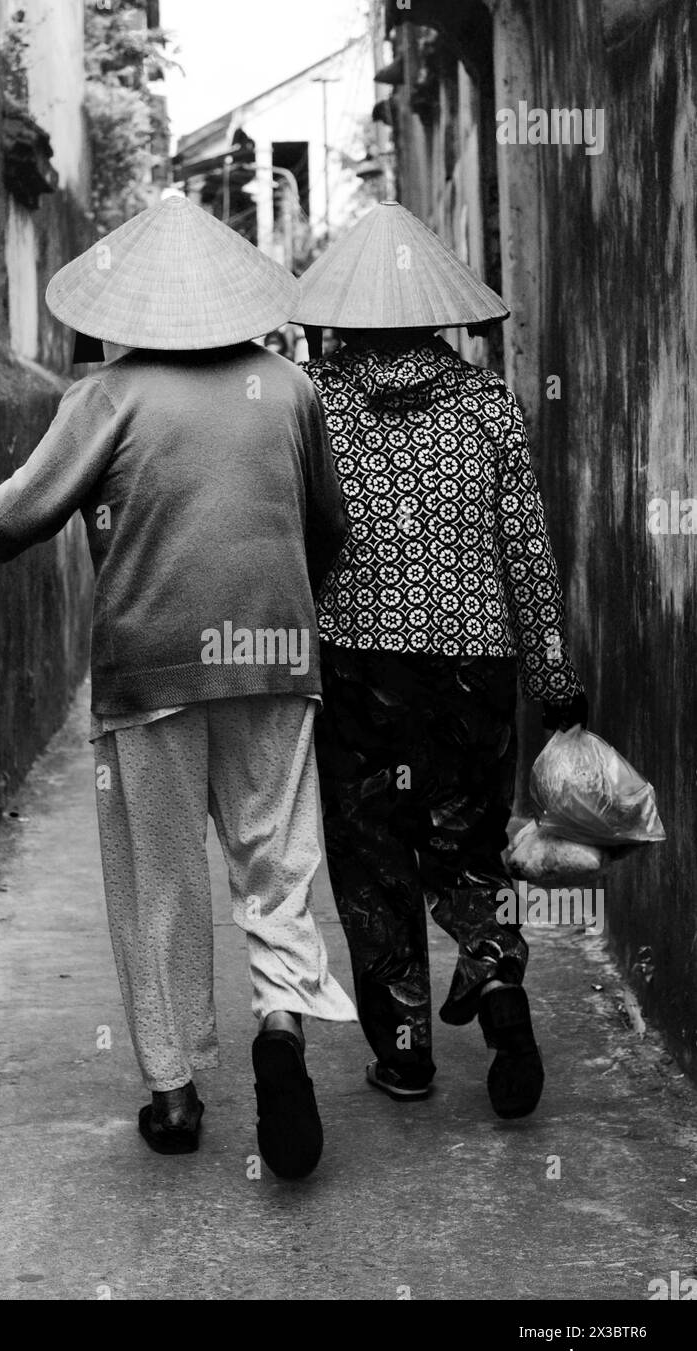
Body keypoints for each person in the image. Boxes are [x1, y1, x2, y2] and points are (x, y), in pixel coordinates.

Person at [0, 193, 357, 1178]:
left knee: (160, 881)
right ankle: (280, 1020)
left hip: (149, 667)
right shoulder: (289, 387)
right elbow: (328, 527)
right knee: (275, 860)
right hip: (275, 657)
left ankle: (173, 1092)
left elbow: (18, 513)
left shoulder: (106, 397)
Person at [294, 200, 587, 1119]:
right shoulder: (489, 405)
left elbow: (291, 538)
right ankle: (498, 987)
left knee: (375, 861)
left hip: (357, 667)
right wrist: (552, 676)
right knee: (465, 849)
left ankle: (408, 1056)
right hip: (476, 668)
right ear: (438, 311)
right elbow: (527, 550)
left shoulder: (313, 403)